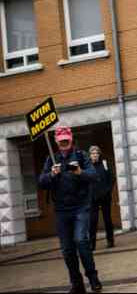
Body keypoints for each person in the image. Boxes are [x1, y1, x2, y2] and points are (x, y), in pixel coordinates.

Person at [38, 125, 103, 293]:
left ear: (71, 138)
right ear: (56, 142)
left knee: (81, 241)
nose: (64, 143)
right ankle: (77, 283)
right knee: (67, 249)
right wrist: (51, 175)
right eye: (61, 141)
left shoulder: (81, 156)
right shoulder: (51, 159)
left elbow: (94, 176)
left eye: (66, 140)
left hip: (81, 207)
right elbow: (41, 182)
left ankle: (93, 277)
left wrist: (80, 171)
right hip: (61, 210)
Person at [88, 146, 115, 250]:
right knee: (92, 221)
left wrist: (107, 191)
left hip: (105, 197)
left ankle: (110, 240)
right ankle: (92, 243)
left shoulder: (104, 164)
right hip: (92, 198)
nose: (95, 155)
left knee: (107, 219)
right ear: (90, 155)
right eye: (93, 153)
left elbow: (111, 178)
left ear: (99, 154)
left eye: (96, 153)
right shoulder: (87, 166)